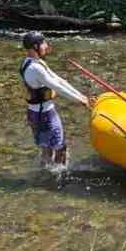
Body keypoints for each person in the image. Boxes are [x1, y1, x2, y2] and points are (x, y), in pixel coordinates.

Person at [20, 31, 90, 169]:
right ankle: (60, 175)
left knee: (46, 148)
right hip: (45, 115)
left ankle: (46, 175)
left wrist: (81, 96)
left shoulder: (28, 63)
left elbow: (59, 80)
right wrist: (79, 101)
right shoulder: (36, 68)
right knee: (60, 147)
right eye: (43, 43)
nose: (46, 46)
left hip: (34, 114)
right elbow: (56, 86)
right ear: (35, 47)